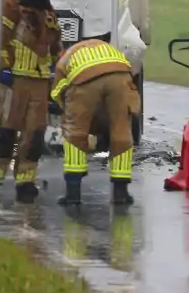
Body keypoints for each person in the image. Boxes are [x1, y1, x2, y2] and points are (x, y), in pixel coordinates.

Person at [0, 0, 62, 203]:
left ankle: (25, 181)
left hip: (40, 82)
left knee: (35, 134)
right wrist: (3, 68)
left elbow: (56, 44)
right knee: (6, 131)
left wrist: (58, 68)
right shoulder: (10, 4)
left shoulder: (48, 10)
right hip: (14, 80)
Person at [51, 38, 141, 206]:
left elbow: (59, 93)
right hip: (121, 74)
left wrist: (69, 114)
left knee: (75, 133)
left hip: (84, 78)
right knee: (120, 130)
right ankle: (121, 193)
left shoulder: (64, 61)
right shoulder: (104, 47)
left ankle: (73, 194)